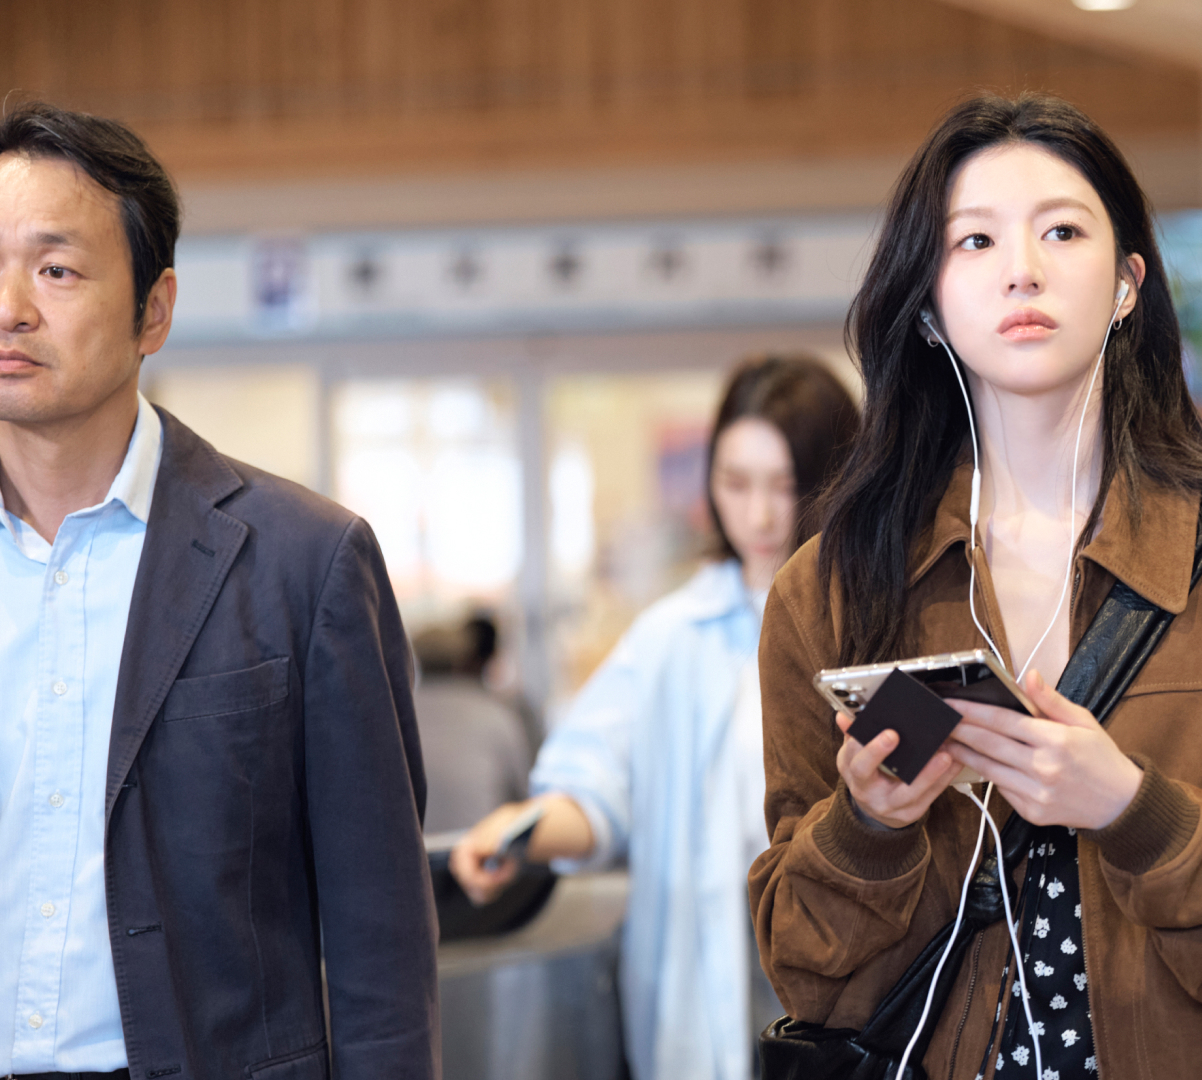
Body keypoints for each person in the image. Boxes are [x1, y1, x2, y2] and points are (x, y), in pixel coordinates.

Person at [750, 94, 1202, 1080]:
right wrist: (868, 825)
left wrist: (1133, 808)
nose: (1023, 269)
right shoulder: (829, 591)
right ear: (927, 301)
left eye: (1063, 230)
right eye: (975, 240)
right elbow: (809, 976)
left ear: (1128, 282)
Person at [0, 103, 436, 1080]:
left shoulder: (304, 562)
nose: (10, 309)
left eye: (55, 270)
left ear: (155, 308)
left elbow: (382, 949)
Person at [450, 355, 859, 1080]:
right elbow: (596, 787)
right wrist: (522, 834)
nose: (759, 515)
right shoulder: (673, 636)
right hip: (702, 993)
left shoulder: (873, 624)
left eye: (786, 486)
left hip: (847, 973)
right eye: (736, 483)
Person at [412, 618, 532, 834]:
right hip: (481, 854)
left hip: (412, 856)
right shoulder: (495, 713)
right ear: (463, 659)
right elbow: (524, 795)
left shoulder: (398, 716)